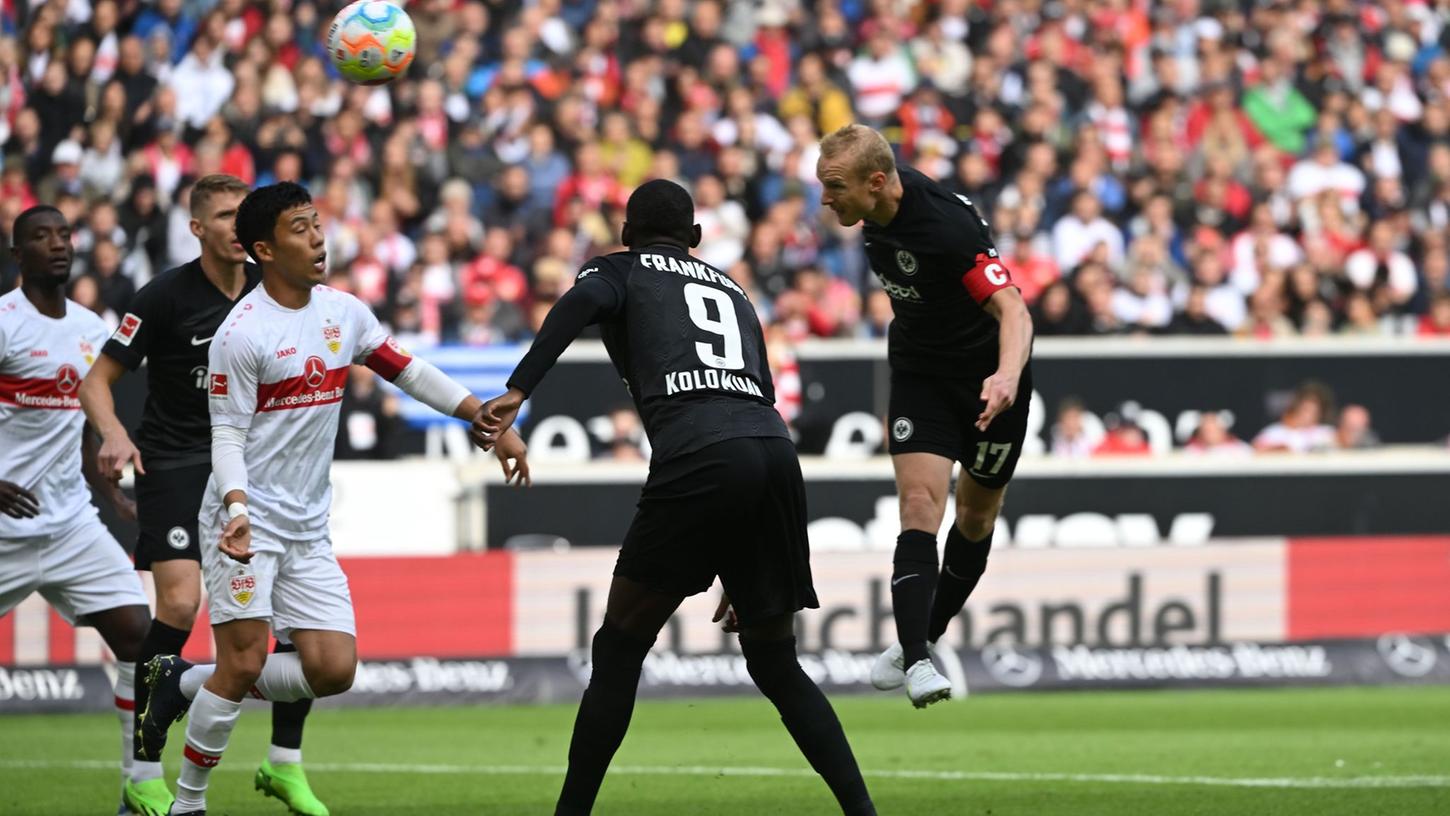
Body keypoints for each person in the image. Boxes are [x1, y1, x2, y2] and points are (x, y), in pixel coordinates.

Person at [474, 179, 875, 816]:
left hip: (700, 452)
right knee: (776, 664)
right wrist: (739, 548)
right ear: (694, 239)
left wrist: (519, 389)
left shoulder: (618, 270)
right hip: (773, 452)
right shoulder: (735, 290)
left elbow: (576, 307)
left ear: (627, 235)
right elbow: (756, 393)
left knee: (619, 646)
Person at [131, 182, 530, 816]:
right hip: (248, 521)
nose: (318, 237)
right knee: (243, 661)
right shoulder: (242, 333)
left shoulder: (343, 312)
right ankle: (188, 803)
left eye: (317, 223)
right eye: (299, 228)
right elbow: (227, 433)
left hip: (308, 525)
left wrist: (486, 419)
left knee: (333, 669)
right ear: (262, 249)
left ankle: (181, 683)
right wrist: (236, 508)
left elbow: (408, 369)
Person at [78, 174, 330, 816]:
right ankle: (141, 772)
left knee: (288, 617)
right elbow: (97, 380)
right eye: (223, 216)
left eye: (241, 215)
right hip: (175, 462)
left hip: (255, 468)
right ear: (198, 228)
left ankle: (285, 765)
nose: (234, 226)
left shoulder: (274, 288)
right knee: (182, 604)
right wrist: (112, 434)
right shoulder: (163, 297)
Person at [816, 124, 1034, 707]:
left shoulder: (947, 226)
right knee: (918, 507)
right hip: (918, 375)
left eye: (834, 187)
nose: (825, 200)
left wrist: (1007, 376)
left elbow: (1013, 310)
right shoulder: (870, 215)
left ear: (878, 182)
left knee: (976, 518)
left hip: (989, 381)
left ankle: (926, 635)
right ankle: (917, 661)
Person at [0, 205, 152, 813]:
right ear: (19, 255)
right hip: (4, 527)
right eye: (41, 236)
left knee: (144, 644)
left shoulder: (92, 327)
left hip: (70, 527)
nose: (57, 245)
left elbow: (85, 418)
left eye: (64, 234)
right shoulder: (5, 323)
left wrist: (102, 476)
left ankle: (138, 789)